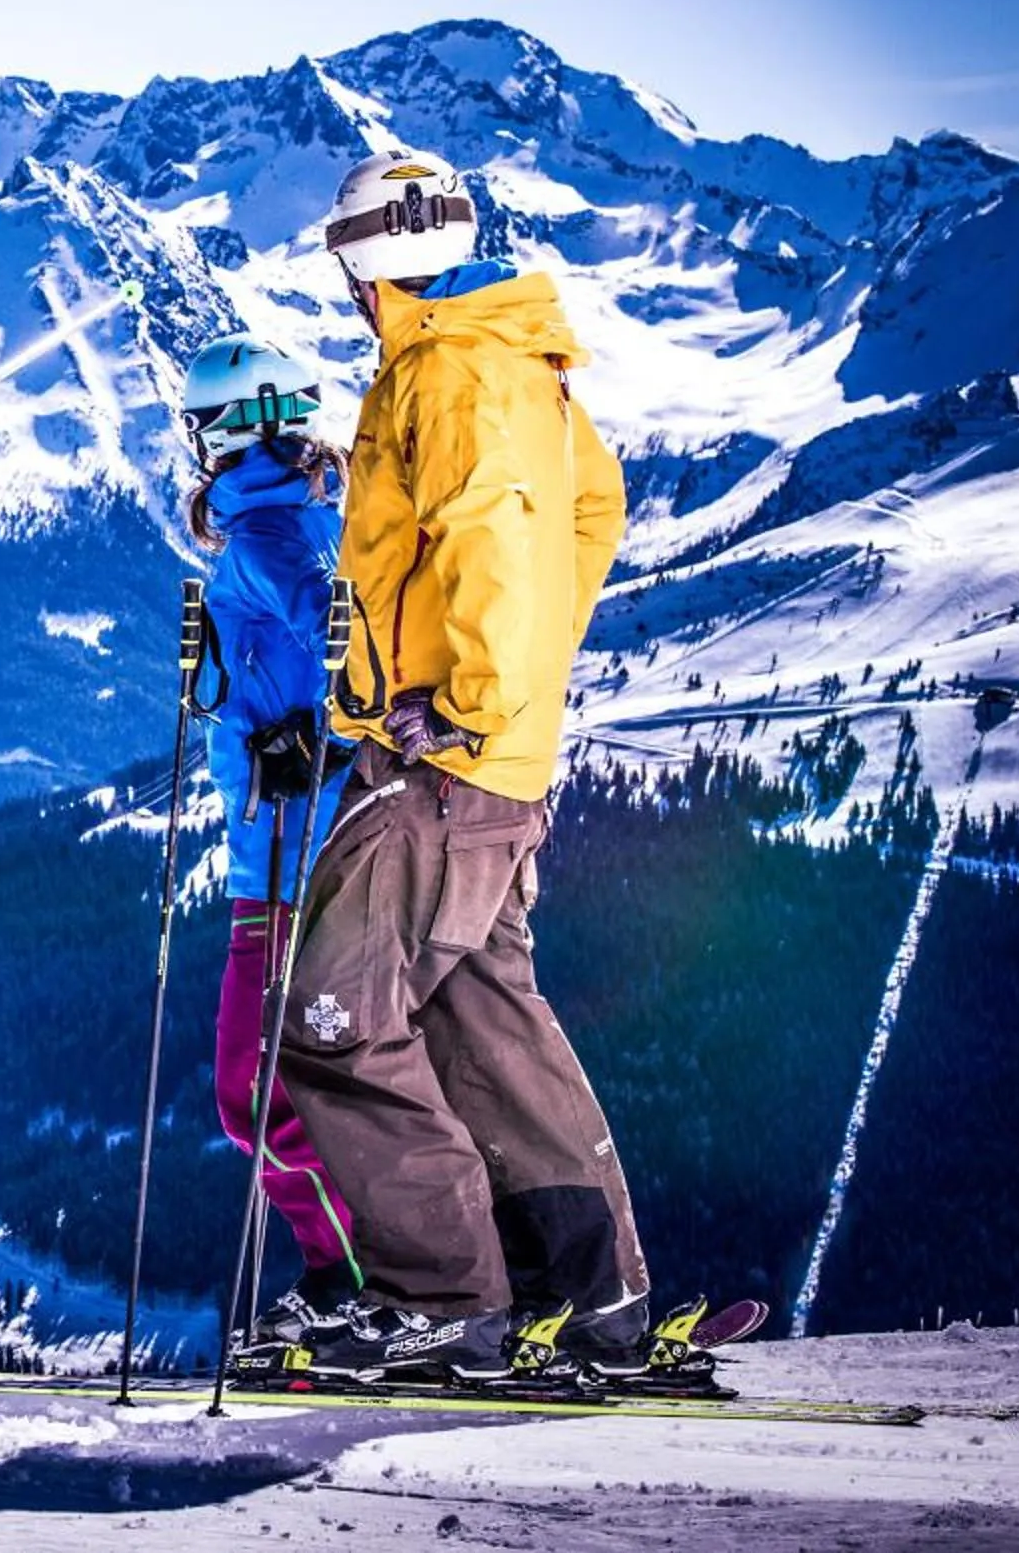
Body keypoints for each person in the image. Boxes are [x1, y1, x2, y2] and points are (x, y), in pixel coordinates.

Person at [269, 147, 647, 1384]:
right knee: (484, 1015)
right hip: (493, 758)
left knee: (331, 1021)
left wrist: (472, 699)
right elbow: (593, 512)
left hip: (442, 765)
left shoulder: (447, 368)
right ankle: (585, 1292)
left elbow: (499, 533)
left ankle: (447, 1301)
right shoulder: (519, 361)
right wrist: (514, 689)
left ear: (360, 264)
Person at [176, 333, 363, 1352]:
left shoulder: (275, 535)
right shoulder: (295, 517)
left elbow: (348, 646)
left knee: (254, 1089)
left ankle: (351, 1279)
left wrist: (322, 742)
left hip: (292, 860)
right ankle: (364, 1273)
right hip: (297, 848)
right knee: (308, 1081)